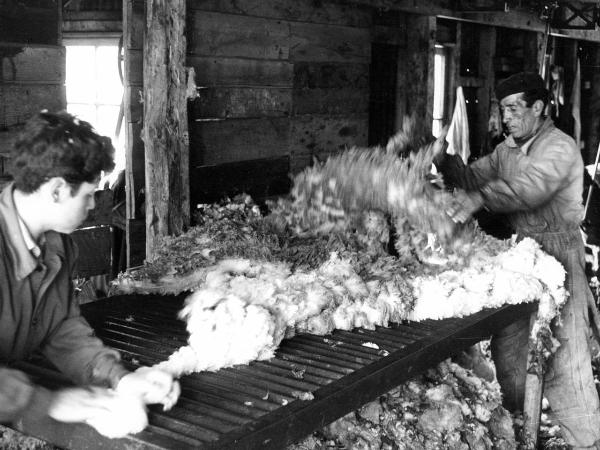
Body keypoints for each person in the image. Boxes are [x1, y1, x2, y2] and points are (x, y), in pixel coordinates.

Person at [437, 72, 600, 448]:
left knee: (564, 359)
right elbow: (472, 177)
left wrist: (481, 199)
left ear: (538, 108)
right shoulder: (506, 151)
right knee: (509, 354)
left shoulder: (559, 147)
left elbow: (529, 189)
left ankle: (587, 442)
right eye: (502, 109)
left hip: (560, 258)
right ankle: (517, 432)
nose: (506, 117)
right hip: (521, 259)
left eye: (513, 109)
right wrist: (444, 161)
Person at [0, 111, 180, 437]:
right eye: (88, 195)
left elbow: (61, 327)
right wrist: (48, 403)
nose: (94, 206)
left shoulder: (58, 246)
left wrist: (119, 378)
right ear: (56, 190)